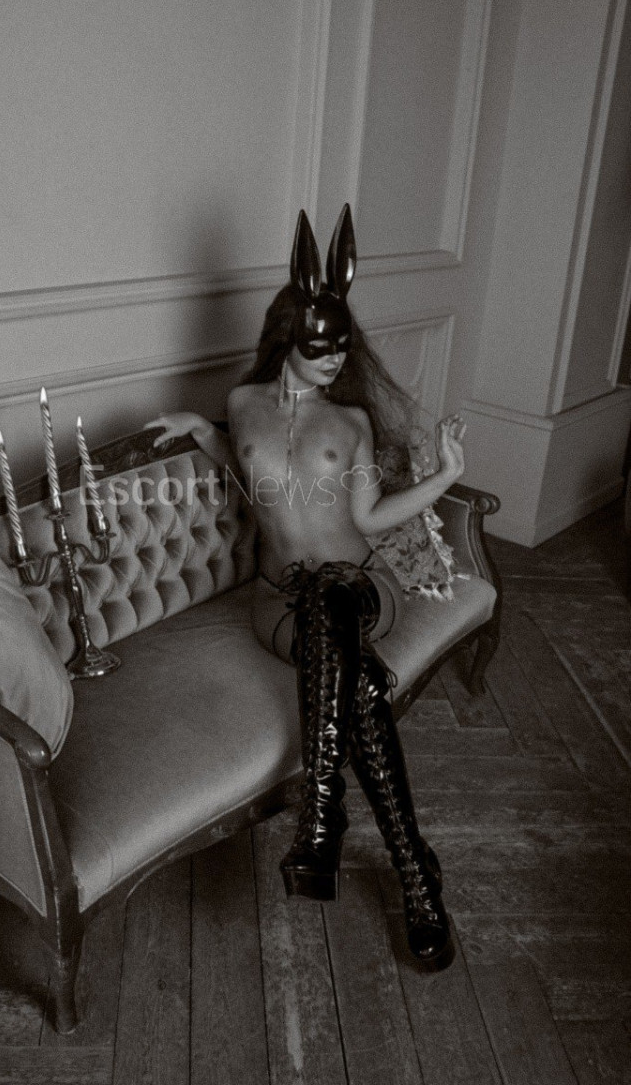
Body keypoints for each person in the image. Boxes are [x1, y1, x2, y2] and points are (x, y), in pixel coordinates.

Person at [145, 205, 466, 972]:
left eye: (341, 346)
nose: (333, 359)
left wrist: (446, 476)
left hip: (363, 587)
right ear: (287, 339)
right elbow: (254, 481)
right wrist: (205, 434)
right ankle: (416, 872)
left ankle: (321, 820)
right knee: (357, 685)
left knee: (331, 592)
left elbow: (371, 516)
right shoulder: (241, 405)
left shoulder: (350, 421)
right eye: (319, 347)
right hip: (278, 601)